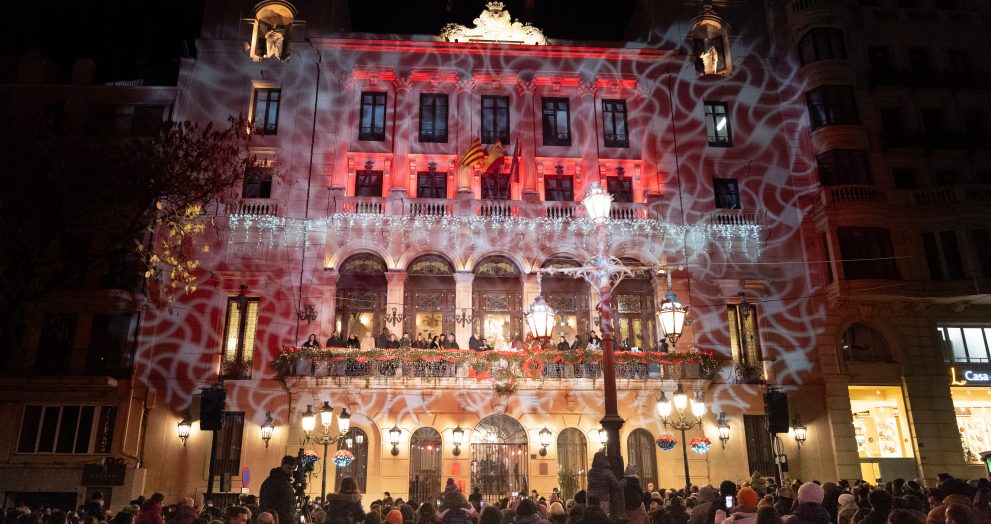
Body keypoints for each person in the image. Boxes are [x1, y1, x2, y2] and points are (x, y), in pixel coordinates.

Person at [259, 456, 296, 524]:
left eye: (293, 468)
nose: (290, 471)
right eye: (288, 468)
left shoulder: (282, 480)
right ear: (282, 465)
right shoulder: (275, 481)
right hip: (278, 519)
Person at [587, 451, 624, 515]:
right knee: (602, 517)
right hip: (602, 499)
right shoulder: (607, 472)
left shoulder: (590, 472)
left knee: (591, 516)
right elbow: (616, 485)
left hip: (590, 498)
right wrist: (624, 481)